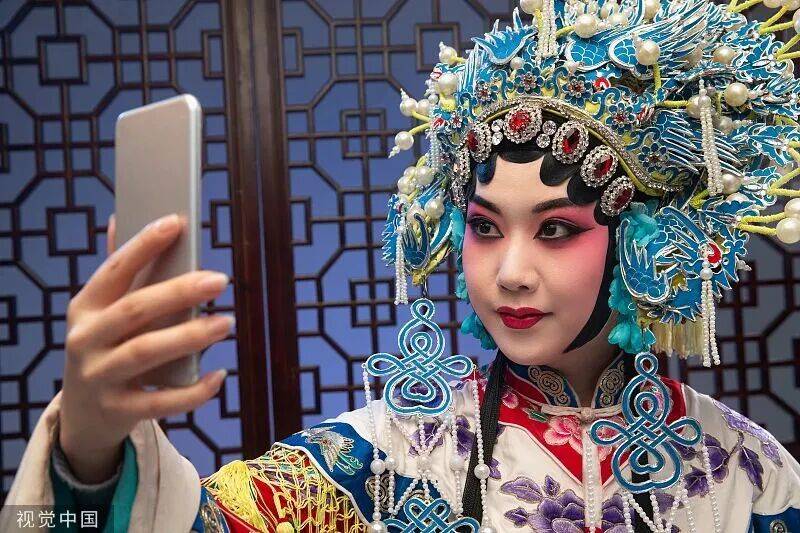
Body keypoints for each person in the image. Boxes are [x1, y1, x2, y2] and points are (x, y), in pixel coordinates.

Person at [3, 0, 800, 531]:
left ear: (643, 238)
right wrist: (90, 452)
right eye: (484, 227)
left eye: (556, 230)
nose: (509, 272)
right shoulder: (385, 461)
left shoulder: (750, 476)